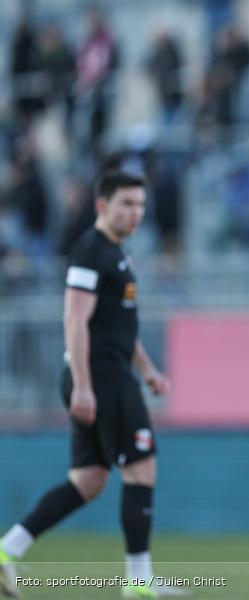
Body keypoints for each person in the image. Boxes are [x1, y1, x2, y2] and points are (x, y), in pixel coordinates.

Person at [0, 171, 187, 599]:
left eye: (141, 205)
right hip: (102, 378)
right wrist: (84, 385)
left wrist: (148, 370)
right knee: (141, 467)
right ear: (103, 205)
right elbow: (75, 317)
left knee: (88, 480)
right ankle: (139, 581)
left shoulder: (116, 254)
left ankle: (7, 550)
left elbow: (117, 327)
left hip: (108, 373)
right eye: (127, 204)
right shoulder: (91, 251)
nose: (136, 213)